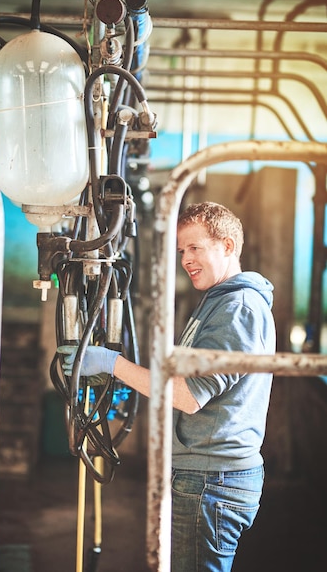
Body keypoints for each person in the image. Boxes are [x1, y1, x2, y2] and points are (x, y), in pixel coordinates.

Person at [59, 201, 276, 572]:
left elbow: (188, 396)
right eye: (181, 251)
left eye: (195, 248)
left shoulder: (237, 308)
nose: (186, 259)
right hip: (206, 474)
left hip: (211, 480)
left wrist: (113, 364)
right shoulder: (217, 301)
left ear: (227, 246)